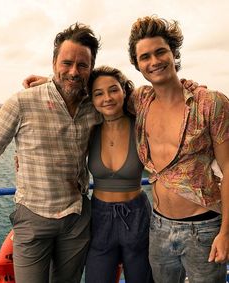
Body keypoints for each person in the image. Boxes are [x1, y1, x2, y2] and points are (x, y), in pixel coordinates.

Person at [0, 23, 102, 283]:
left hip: (76, 221)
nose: (74, 71)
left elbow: (125, 92)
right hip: (33, 219)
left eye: (82, 65)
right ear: (54, 63)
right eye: (66, 63)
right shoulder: (22, 102)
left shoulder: (95, 105)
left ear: (91, 68)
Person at [128, 15, 229, 283]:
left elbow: (228, 169)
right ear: (138, 65)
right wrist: (49, 80)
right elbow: (103, 91)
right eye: (145, 57)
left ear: (173, 53)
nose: (154, 61)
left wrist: (226, 232)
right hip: (158, 226)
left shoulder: (209, 103)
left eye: (160, 52)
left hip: (204, 227)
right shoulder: (140, 100)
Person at [85, 65, 154, 283]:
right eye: (98, 93)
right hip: (99, 218)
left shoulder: (142, 126)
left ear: (125, 91)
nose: (107, 98)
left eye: (113, 90)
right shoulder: (89, 129)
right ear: (92, 100)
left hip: (137, 216)